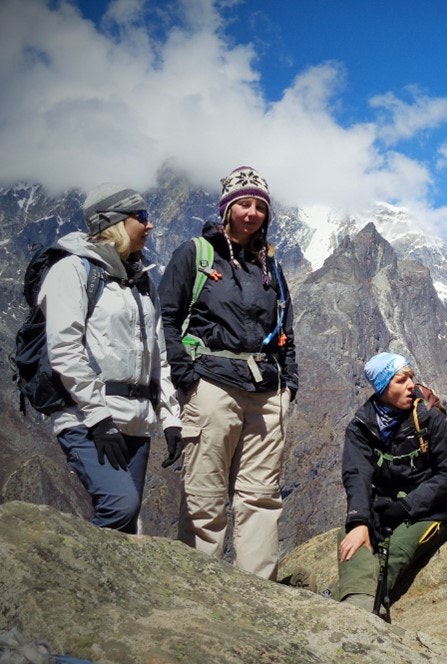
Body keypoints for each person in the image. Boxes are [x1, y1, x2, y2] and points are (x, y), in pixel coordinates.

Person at [159, 166, 298, 581]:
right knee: (205, 491)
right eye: (244, 204)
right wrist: (185, 375)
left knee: (260, 496)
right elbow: (166, 315)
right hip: (213, 384)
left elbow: (287, 329)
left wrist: (289, 384)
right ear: (227, 209)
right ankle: (197, 586)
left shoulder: (269, 266)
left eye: (260, 207)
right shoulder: (196, 254)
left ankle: (258, 590)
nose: (252, 213)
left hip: (266, 391)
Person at [39, 184, 184, 533]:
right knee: (120, 506)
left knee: (126, 525)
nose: (150, 226)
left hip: (135, 421)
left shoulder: (140, 281)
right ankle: (58, 578)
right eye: (142, 217)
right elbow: (65, 349)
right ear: (115, 222)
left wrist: (170, 419)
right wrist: (99, 418)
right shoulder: (72, 271)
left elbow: (158, 356)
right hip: (88, 419)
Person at [334, 352, 447, 615]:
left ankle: (359, 603)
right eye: (401, 381)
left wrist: (406, 506)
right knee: (352, 538)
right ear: (382, 388)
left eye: (411, 379)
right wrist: (359, 521)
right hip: (385, 509)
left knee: (397, 548)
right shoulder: (362, 426)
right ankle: (361, 601)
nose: (411, 386)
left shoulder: (428, 417)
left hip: (430, 513)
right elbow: (356, 475)